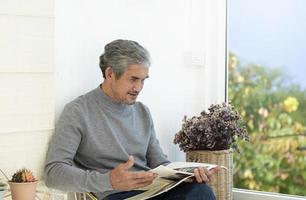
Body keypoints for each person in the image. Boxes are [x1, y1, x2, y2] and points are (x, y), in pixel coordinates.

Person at [44, 39, 218, 200]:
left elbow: (160, 164)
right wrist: (109, 180)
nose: (139, 88)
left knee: (201, 191)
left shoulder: (142, 112)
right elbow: (53, 173)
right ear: (110, 73)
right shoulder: (78, 111)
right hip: (116, 195)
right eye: (133, 79)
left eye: (143, 80)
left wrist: (187, 175)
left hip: (152, 191)